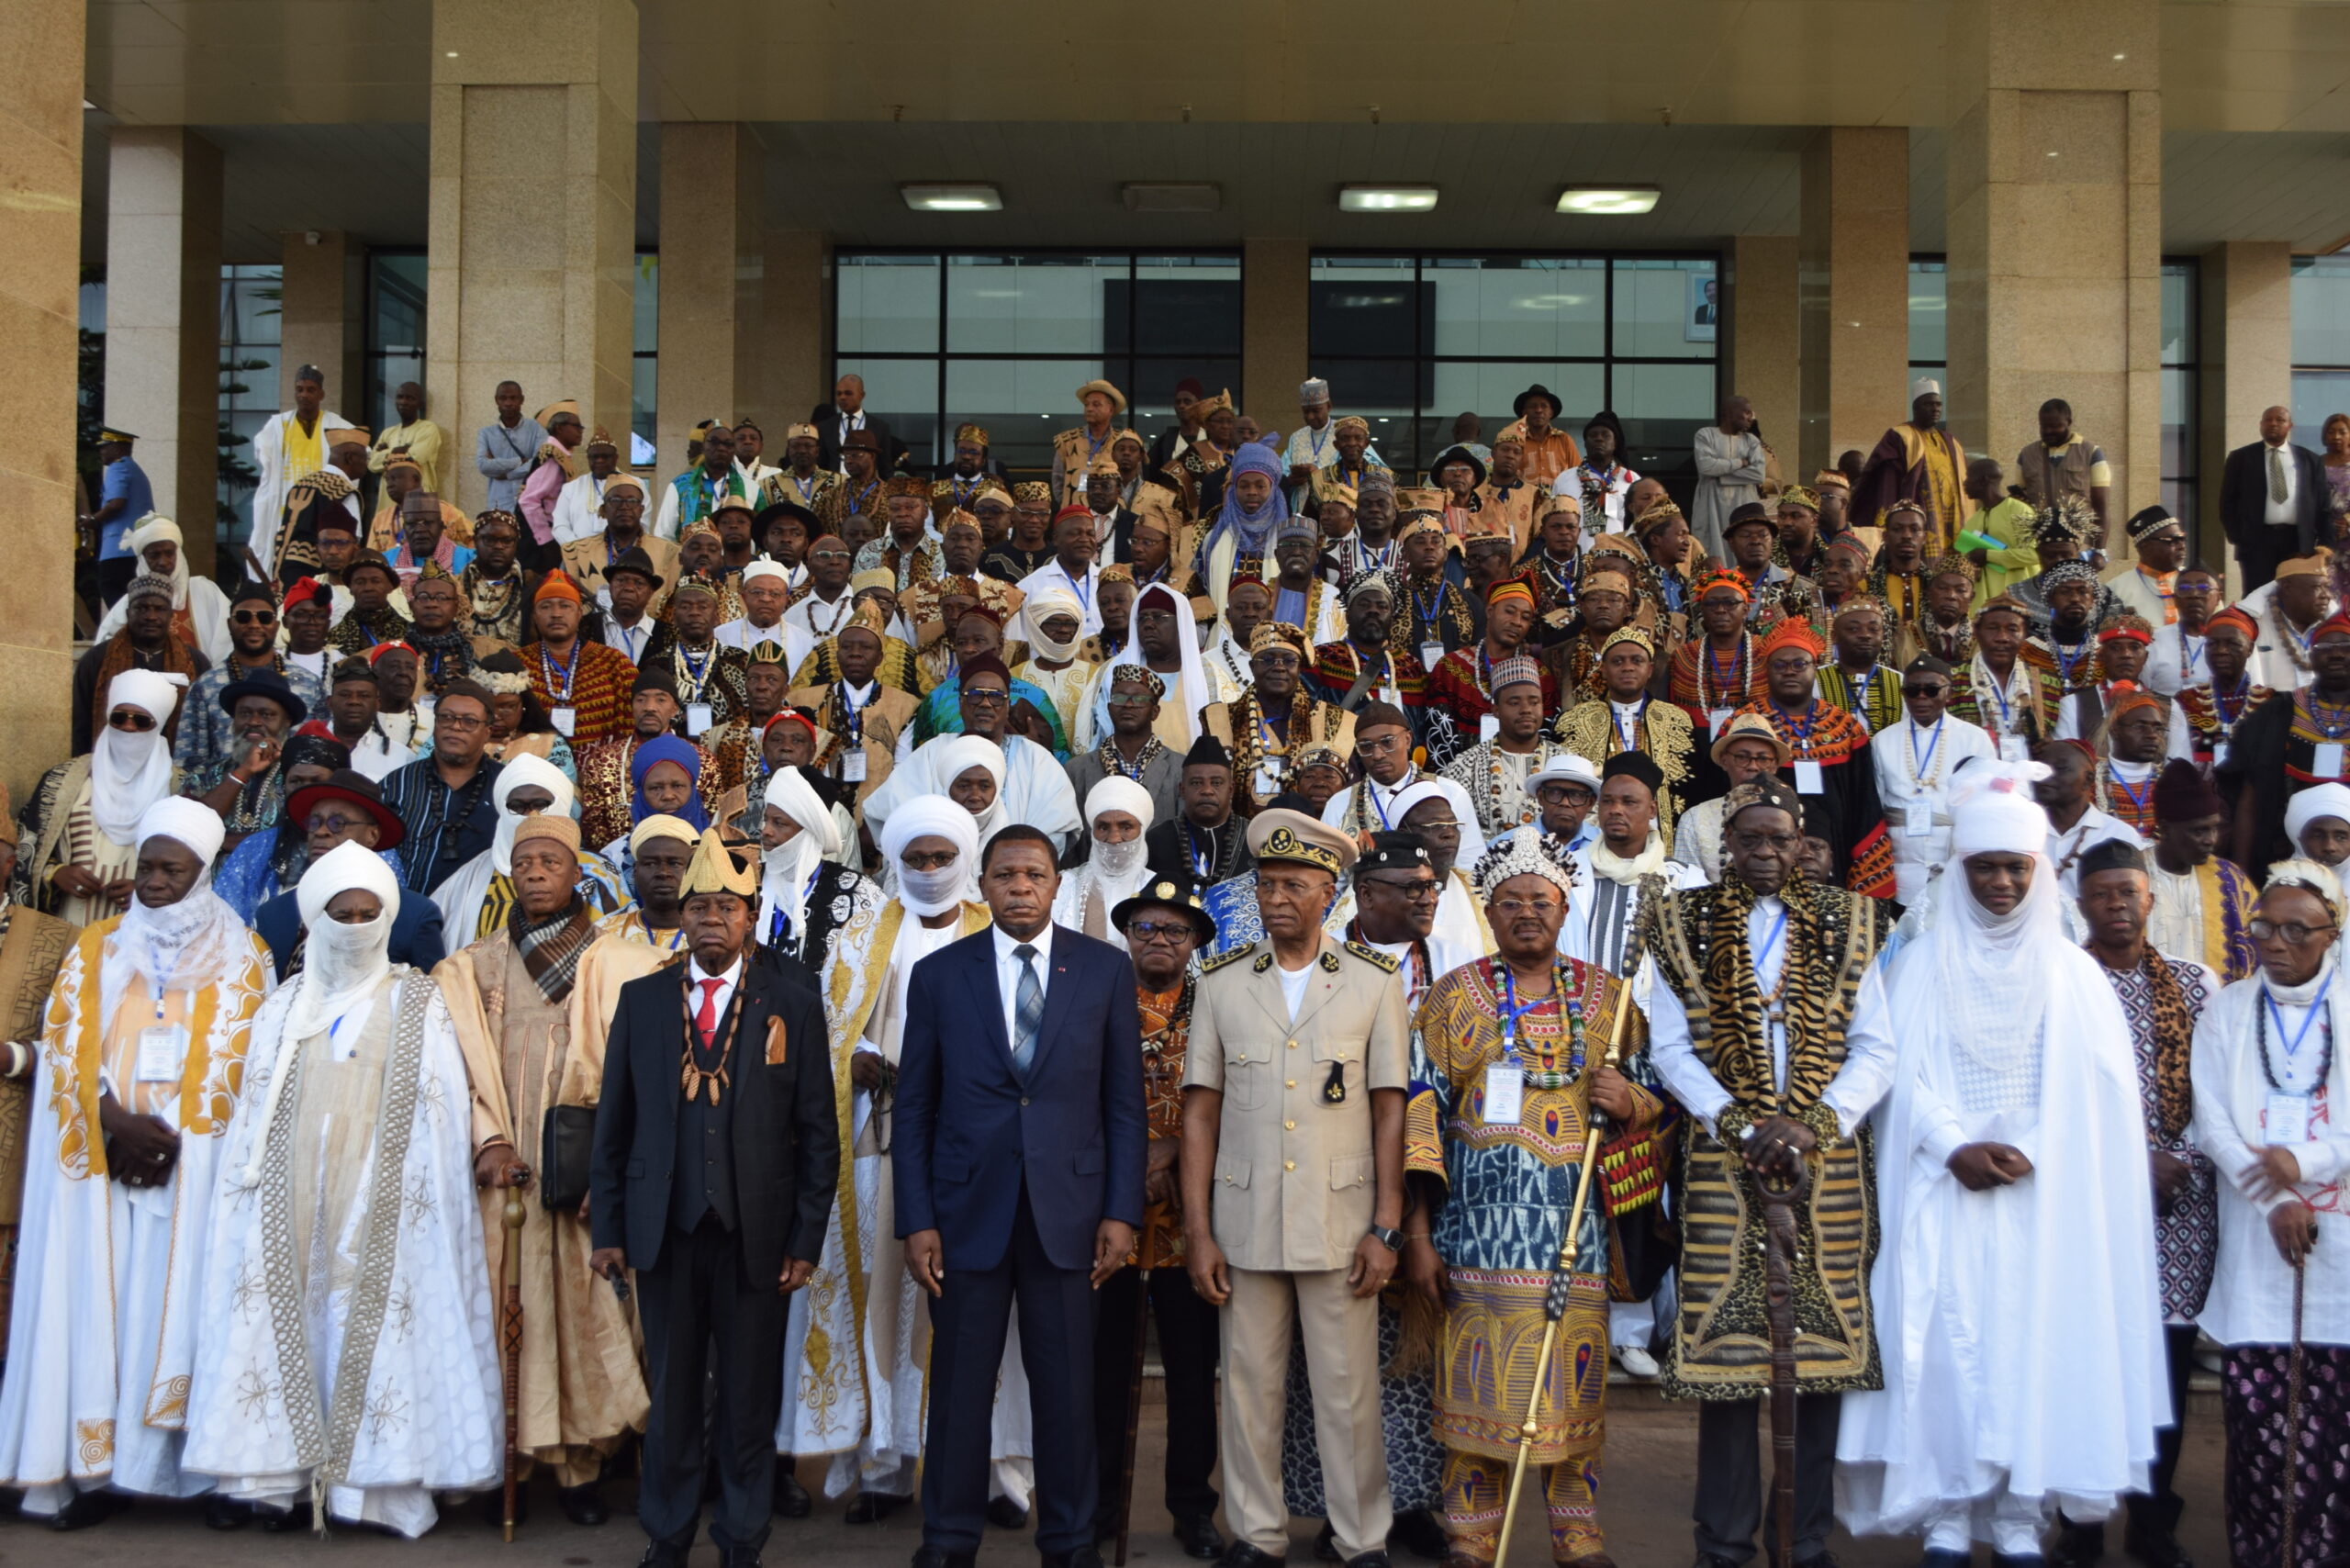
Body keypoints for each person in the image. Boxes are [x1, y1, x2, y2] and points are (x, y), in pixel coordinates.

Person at [1839, 761, 2165, 1559]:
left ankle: (2021, 1517)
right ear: (1960, 870)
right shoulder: (1918, 961)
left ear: (2037, 871)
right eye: (1984, 866)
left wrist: (2029, 1148)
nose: (1999, 882)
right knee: (1949, 1348)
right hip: (1943, 1183)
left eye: (2014, 867)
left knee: (2031, 1342)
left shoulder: (2073, 973)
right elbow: (1893, 1071)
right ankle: (1949, 1510)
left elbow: (2096, 1092)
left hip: (2040, 1196)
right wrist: (1954, 1143)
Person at [183, 842, 494, 1536]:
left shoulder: (419, 999)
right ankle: (276, 1483)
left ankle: (372, 1493)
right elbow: (255, 1111)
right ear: (314, 921)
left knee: (377, 1337)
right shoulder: (284, 1004)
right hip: (287, 1197)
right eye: (340, 914)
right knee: (281, 1329)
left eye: (367, 914)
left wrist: (392, 1191)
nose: (354, 926)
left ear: (387, 920)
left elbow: (438, 1108)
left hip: (383, 1202)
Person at [1642, 776, 1896, 1568]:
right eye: (1748, 840)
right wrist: (1746, 1125)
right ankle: (1723, 1543)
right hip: (1727, 1160)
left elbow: (1877, 1049)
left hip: (1827, 1165)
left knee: (1819, 1371)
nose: (1762, 853)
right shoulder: (1680, 923)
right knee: (1727, 1369)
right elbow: (1670, 1049)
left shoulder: (1852, 923)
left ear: (1801, 847)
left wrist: (1813, 1123)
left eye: (1778, 841)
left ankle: (1805, 1538)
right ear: (1727, 845)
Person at [0, 799, 268, 1528]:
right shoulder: (97, 947)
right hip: (101, 1162)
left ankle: (200, 1477)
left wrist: (170, 1141)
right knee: (99, 1307)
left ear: (201, 873)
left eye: (169, 869)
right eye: (146, 866)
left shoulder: (246, 954)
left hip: (193, 1170)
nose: (151, 880)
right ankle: (92, 1475)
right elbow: (63, 1046)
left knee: (187, 1311)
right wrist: (111, 1123)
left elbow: (246, 1067)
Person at [890, 818, 1145, 1568]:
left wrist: (1121, 1212)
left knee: (1066, 1391)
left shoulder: (1102, 970)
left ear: (1057, 884)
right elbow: (915, 1108)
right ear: (983, 883)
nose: (1022, 888)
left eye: (1035, 875)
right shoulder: (941, 974)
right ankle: (948, 1539)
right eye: (1006, 876)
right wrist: (917, 1219)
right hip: (965, 1214)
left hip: (1069, 1215)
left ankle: (1068, 1540)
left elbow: (1122, 1106)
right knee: (962, 1390)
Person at [1402, 827, 1654, 1568]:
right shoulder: (1454, 998)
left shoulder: (1610, 1002)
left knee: (1570, 1388)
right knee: (1476, 1391)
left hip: (1572, 1236)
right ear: (1490, 910)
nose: (1525, 914)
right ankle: (1470, 1537)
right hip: (1474, 1240)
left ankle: (1578, 1534)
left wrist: (1629, 1097)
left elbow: (1661, 1102)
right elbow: (1421, 1112)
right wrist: (1418, 1235)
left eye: (1539, 901)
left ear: (1563, 906)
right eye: (1509, 902)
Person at [588, 826, 836, 1565]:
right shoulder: (642, 1001)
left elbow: (817, 1132)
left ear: (749, 918)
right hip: (664, 1229)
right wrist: (609, 1228)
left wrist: (805, 1239)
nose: (711, 921)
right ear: (683, 917)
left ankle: (741, 1537)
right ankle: (667, 1534)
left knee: (746, 1397)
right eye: (698, 907)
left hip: (755, 1233)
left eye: (727, 908)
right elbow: (614, 1125)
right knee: (673, 1396)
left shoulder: (791, 999)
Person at [1180, 808, 1411, 1568]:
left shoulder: (1374, 985)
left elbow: (1388, 1110)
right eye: (1268, 884)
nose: (1278, 898)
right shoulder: (1219, 984)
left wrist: (1386, 1226)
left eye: (1296, 885)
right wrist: (1200, 1232)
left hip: (1341, 1220)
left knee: (1348, 1390)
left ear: (1329, 893)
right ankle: (1257, 1533)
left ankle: (1361, 1536)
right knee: (1248, 1389)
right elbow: (1200, 1115)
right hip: (1244, 1219)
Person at [2188, 857, 2350, 1568]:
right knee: (2258, 1426)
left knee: (2335, 1427)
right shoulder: (2227, 1009)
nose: (2276, 943)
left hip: (2341, 1250)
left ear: (2332, 933)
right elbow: (2213, 1122)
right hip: (2257, 1242)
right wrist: (2277, 1195)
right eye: (2264, 927)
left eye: (2296, 930)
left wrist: (2305, 1165)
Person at [2065, 838, 2218, 1568]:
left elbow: (2220, 1096)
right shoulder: (2064, 984)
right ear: (2081, 903)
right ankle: (2080, 1528)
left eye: (2130, 892)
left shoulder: (2195, 986)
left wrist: (2179, 1159)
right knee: (2088, 1368)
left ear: (2150, 898)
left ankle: (2154, 1527)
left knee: (2166, 1373)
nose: (2118, 906)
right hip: (2088, 1208)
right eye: (2103, 894)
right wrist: (2129, 1162)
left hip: (2177, 1212)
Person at [1084, 870, 1225, 1560]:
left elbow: (1243, 1098)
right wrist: (1127, 1166)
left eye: (1175, 930)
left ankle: (1192, 1506)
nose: (1160, 940)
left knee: (1194, 1376)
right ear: (1126, 936)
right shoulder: (1095, 1000)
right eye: (1146, 928)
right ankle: (1100, 1503)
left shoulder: (1221, 1005)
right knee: (1105, 1371)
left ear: (1196, 940)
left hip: (1193, 1221)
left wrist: (1177, 1154)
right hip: (1112, 1218)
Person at [866, 655, 1083, 859]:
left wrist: (1010, 866)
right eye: (976, 695)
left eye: (996, 697)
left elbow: (1056, 826)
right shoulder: (931, 753)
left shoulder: (1035, 759)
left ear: (1007, 706)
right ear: (960, 702)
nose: (985, 703)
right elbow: (891, 815)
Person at [1735, 619, 1894, 897]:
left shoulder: (1845, 727)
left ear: (1815, 668)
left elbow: (1865, 801)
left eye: (1800, 664)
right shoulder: (1745, 724)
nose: (1790, 672)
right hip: (1764, 851)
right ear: (1767, 671)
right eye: (1780, 665)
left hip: (1838, 849)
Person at [252, 767, 445, 979]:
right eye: (314, 822)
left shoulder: (415, 915)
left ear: (372, 835)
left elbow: (430, 998)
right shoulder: (272, 914)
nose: (320, 832)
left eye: (337, 823)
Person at [433, 752, 629, 943]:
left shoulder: (597, 872)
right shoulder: (474, 874)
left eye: (540, 804)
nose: (529, 815)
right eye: (517, 806)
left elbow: (615, 950)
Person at [2224, 608, 2350, 872]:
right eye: (2325, 646)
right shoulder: (2278, 710)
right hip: (2282, 851)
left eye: (2346, 645)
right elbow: (2251, 796)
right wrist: (2241, 872)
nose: (2337, 653)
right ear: (2311, 656)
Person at [1872, 655, 1996, 902]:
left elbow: (1987, 803)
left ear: (1948, 693)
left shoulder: (1974, 738)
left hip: (1955, 860)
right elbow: (1875, 802)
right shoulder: (1882, 740)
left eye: (1931, 690)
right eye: (1912, 691)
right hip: (1901, 867)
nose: (1921, 698)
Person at [2143, 758, 2258, 982]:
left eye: (2215, 829)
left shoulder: (2230, 880)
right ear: (2165, 829)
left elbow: (2256, 945)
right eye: (2199, 831)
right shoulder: (2133, 876)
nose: (2211, 841)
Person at [72, 574, 207, 756]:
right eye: (142, 608)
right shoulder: (97, 660)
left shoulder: (195, 662)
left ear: (171, 616)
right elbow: (80, 723)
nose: (151, 616)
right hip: (110, 763)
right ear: (128, 613)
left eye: (159, 609)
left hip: (176, 768)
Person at [250, 364, 356, 577]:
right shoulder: (278, 425)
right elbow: (263, 452)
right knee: (283, 568)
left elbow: (360, 453)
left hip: (322, 514)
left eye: (310, 389)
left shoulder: (336, 425)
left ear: (321, 394)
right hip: (285, 513)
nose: (304, 395)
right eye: (299, 389)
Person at [89, 514, 233, 666]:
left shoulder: (205, 591)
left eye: (169, 553)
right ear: (143, 559)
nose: (163, 562)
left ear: (178, 554)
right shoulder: (130, 603)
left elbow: (228, 641)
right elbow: (107, 651)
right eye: (154, 555)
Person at [1439, 652, 1557, 838]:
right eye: (1514, 702)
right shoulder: (1465, 766)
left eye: (1534, 702)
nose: (1526, 709)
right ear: (1496, 711)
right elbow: (1451, 827)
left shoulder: (1563, 762)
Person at [522, 571, 639, 746]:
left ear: (579, 614)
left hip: (601, 768)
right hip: (535, 769)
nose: (556, 614)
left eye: (565, 606)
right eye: (545, 606)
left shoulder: (616, 665)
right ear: (535, 616)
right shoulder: (518, 665)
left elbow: (631, 735)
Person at [2219, 404, 2327, 590]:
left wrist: (2323, 544)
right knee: (2258, 595)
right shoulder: (2241, 458)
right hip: (2256, 542)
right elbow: (2227, 503)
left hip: (2298, 543)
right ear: (2261, 425)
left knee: (2296, 595)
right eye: (2268, 420)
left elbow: (2322, 505)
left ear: (2290, 426)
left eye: (2280, 420)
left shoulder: (2310, 460)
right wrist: (2238, 536)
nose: (2273, 424)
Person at [1670, 713, 1788, 883]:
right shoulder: (1695, 819)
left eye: (1763, 759)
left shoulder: (1790, 814)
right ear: (1725, 761)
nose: (1753, 766)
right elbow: (1686, 887)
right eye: (1742, 757)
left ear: (1774, 765)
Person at [1066, 666, 1183, 835]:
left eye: (1139, 699)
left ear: (1155, 712)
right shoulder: (1077, 770)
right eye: (1119, 698)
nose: (1128, 705)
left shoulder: (1179, 768)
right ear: (1109, 708)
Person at [1854, 378, 1967, 553]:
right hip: (1917, 524)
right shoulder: (1900, 436)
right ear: (1915, 407)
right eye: (1928, 404)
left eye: (1938, 404)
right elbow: (1888, 483)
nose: (1935, 409)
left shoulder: (1952, 443)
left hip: (1951, 524)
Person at [1952, 595, 2058, 763]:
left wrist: (2049, 746)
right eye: (1993, 628)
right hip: (1973, 780)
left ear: (2024, 635)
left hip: (2030, 782)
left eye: (2012, 629)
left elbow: (2057, 741)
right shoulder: (1953, 679)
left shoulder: (2047, 683)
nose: (2002, 637)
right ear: (1976, 632)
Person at [1147, 735, 1252, 890]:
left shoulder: (1253, 838)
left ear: (1231, 790)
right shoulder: (1155, 841)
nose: (1207, 791)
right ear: (1182, 790)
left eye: (1216, 783)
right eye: (1196, 783)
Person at [1692, 395, 1768, 563]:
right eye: (1746, 412)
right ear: (1729, 413)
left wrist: (1721, 476)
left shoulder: (1751, 441)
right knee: (1712, 547)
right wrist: (1740, 462)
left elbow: (1758, 474)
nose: (1751, 418)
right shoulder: (1706, 435)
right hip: (1711, 504)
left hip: (1743, 502)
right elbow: (1706, 467)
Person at [1956, 455, 2040, 607]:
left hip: (2020, 603)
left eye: (1969, 478)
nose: (1965, 483)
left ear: (1984, 480)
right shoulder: (1972, 522)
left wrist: (1988, 555)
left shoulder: (2019, 511)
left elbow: (2034, 554)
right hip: (1982, 607)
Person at [84, 427, 153, 607]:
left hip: (119, 549)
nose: (101, 451)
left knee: (112, 592)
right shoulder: (135, 470)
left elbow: (116, 503)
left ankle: (124, 632)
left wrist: (92, 520)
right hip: (137, 549)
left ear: (117, 448)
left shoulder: (118, 468)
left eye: (104, 447)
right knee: (134, 599)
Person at [470, 380, 545, 516]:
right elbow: (483, 465)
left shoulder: (536, 430)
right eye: (503, 398)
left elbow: (539, 464)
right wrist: (519, 462)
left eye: (513, 398)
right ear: (496, 401)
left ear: (522, 400)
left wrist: (507, 474)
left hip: (530, 504)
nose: (508, 403)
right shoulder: (486, 433)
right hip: (498, 505)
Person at [1053, 379, 1131, 508]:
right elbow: (1058, 481)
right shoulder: (1067, 441)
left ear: (1111, 410)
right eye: (1087, 404)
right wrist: (1069, 505)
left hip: (1113, 517)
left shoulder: (1123, 442)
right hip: (1075, 516)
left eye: (1096, 404)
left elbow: (1131, 481)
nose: (1089, 408)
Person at [1500, 384, 1581, 490]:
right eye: (1533, 406)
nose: (1538, 410)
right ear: (1524, 412)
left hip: (1559, 501)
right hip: (1523, 502)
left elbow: (1578, 474)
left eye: (1544, 406)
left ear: (1551, 412)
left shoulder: (1564, 440)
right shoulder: (1515, 440)